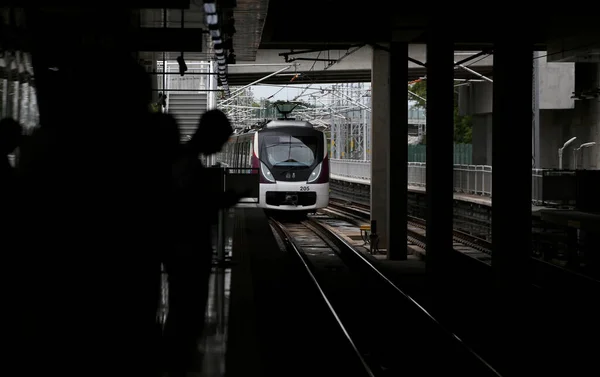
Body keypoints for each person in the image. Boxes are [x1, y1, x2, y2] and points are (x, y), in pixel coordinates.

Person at [164, 109, 245, 376]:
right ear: (210, 135)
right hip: (186, 250)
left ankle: (180, 359)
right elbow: (188, 205)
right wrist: (223, 200)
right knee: (186, 311)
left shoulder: (186, 160)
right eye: (221, 140)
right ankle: (180, 362)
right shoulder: (187, 162)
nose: (221, 147)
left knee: (184, 309)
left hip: (184, 249)